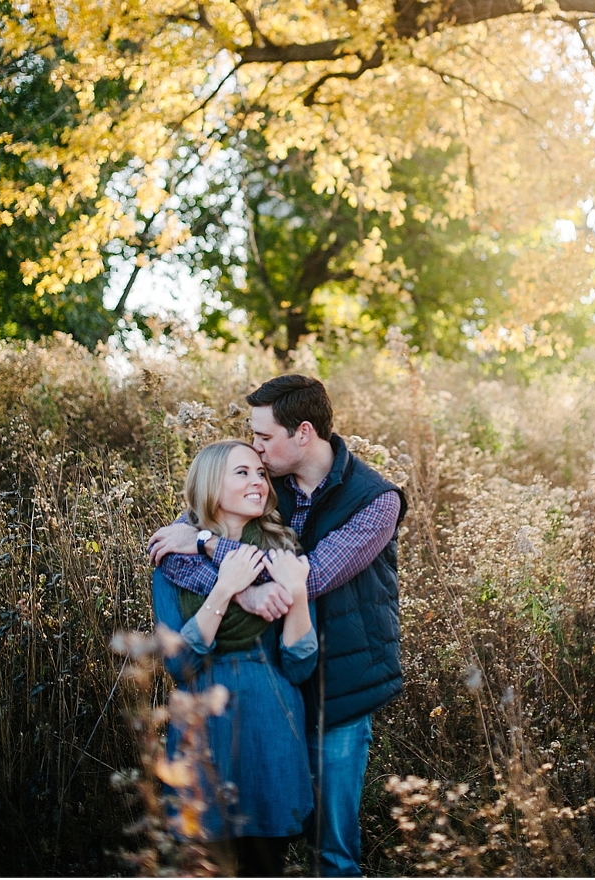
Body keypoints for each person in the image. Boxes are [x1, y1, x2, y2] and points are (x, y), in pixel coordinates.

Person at [149, 375, 405, 878]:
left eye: (264, 438)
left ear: (303, 433)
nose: (257, 451)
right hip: (267, 688)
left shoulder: (377, 502)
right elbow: (175, 552)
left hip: (339, 684)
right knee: (253, 833)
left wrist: (209, 549)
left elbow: (310, 576)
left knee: (330, 848)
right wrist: (229, 577)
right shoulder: (261, 483)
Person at [152, 438, 318, 878]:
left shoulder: (283, 553)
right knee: (206, 862)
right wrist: (226, 589)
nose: (258, 482)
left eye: (260, 473)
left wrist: (297, 596)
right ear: (211, 484)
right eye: (241, 473)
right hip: (203, 724)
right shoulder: (172, 561)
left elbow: (300, 665)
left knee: (266, 863)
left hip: (271, 724)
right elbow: (178, 664)